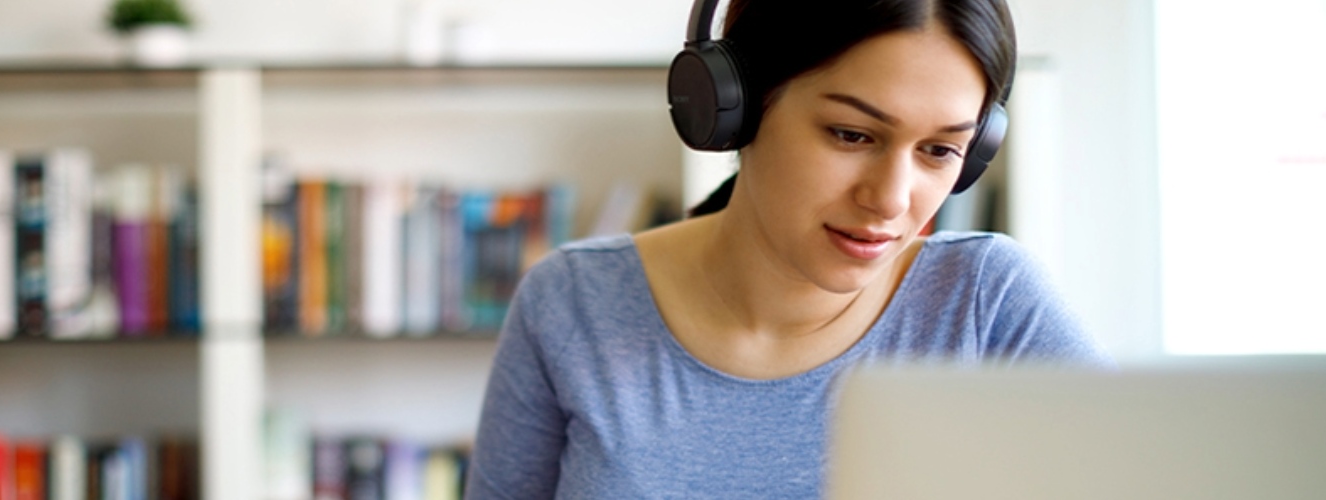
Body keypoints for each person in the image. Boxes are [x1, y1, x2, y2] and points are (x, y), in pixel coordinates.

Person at [465, 0, 1112, 498]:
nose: (892, 199)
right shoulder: (572, 305)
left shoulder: (985, 304)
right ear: (736, 109)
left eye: (940, 150)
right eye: (852, 134)